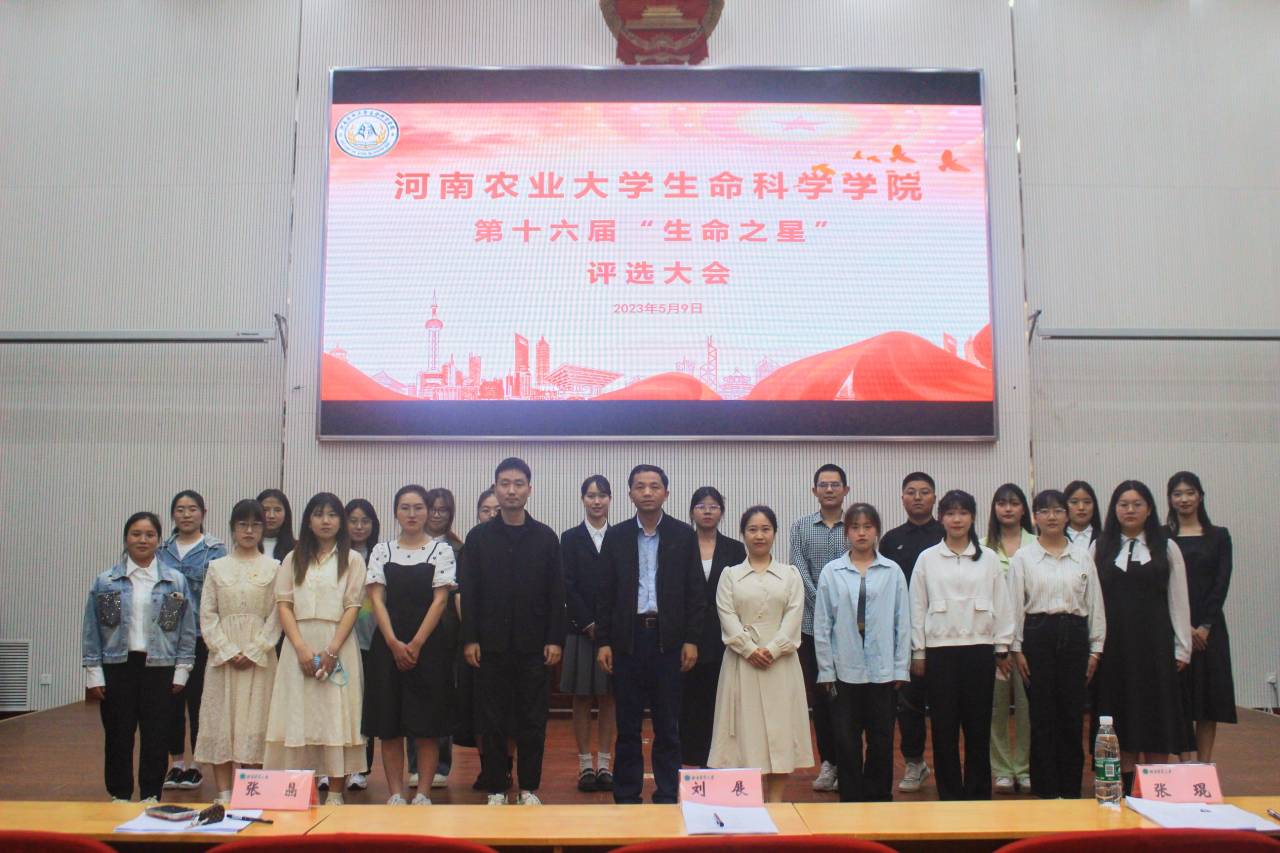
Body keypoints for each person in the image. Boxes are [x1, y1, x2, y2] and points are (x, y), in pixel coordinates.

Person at [596, 464, 705, 805]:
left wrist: (691, 639)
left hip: (668, 641)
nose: (647, 492)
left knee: (668, 725)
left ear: (666, 493)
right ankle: (627, 793)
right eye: (640, 486)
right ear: (629, 494)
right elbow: (604, 593)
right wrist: (603, 641)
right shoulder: (616, 536)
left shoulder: (683, 535)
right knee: (627, 725)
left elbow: (695, 593)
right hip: (627, 641)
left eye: (654, 486)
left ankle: (668, 793)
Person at [461, 458, 565, 806]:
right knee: (491, 721)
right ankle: (495, 787)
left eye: (518, 484)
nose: (511, 490)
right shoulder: (478, 538)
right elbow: (470, 592)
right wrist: (470, 638)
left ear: (529, 490)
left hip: (534, 646)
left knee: (532, 720)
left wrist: (554, 639)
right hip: (489, 646)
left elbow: (556, 594)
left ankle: (529, 788)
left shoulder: (545, 538)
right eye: (504, 483)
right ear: (495, 488)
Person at [83, 512, 197, 803]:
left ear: (159, 540)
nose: (143, 540)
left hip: (159, 666)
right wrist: (93, 671)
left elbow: (185, 630)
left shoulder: (174, 581)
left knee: (156, 735)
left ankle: (150, 795)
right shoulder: (107, 581)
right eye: (136, 534)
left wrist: (183, 668)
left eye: (149, 534)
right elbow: (93, 629)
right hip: (118, 666)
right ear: (126, 538)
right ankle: (119, 794)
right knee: (118, 734)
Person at [909, 489, 1015, 801]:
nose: (957, 519)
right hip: (940, 653)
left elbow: (1002, 603)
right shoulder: (927, 559)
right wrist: (918, 651)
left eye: (963, 513)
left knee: (978, 727)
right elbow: (917, 606)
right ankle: (950, 796)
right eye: (951, 513)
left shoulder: (989, 558)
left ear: (972, 517)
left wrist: (1002, 646)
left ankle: (978, 795)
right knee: (944, 729)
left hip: (979, 650)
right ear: (941, 518)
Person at [262, 492, 368, 805]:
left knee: (336, 716)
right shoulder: (293, 558)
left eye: (332, 515)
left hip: (339, 643)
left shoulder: (353, 559)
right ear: (308, 520)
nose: (326, 521)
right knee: (299, 715)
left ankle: (335, 793)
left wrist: (331, 651)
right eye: (319, 514)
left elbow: (353, 606)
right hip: (299, 645)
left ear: (341, 521)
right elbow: (284, 604)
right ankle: (300, 792)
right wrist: (300, 648)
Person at [1092, 480, 1192, 796]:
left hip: (1156, 647)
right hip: (1115, 647)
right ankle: (1122, 788)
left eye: (1137, 504)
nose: (1130, 510)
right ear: (1114, 509)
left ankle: (1156, 788)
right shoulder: (1100, 547)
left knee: (1156, 713)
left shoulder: (1167, 548)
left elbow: (1179, 599)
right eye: (1123, 504)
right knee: (1119, 715)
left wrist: (1182, 647)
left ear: (1149, 509)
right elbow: (1092, 601)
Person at [708, 506, 813, 802]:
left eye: (765, 529)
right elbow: (727, 616)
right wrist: (750, 649)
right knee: (745, 733)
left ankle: (776, 801)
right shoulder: (730, 575)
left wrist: (774, 649)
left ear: (774, 533)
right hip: (742, 663)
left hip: (780, 664)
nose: (759, 535)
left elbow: (794, 616)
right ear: (743, 534)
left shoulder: (790, 575)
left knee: (780, 732)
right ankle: (748, 803)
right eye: (752, 529)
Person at [363, 485, 457, 805]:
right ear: (396, 513)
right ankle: (395, 793)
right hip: (387, 645)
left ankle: (424, 793)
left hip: (428, 647)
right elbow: (376, 598)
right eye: (405, 508)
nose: (412, 514)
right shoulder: (382, 551)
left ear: (428, 512)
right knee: (390, 725)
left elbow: (440, 600)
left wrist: (415, 644)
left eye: (418, 507)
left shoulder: (440, 551)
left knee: (427, 724)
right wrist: (393, 642)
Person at [1009, 489, 1105, 799]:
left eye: (1058, 510)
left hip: (1075, 636)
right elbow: (1014, 606)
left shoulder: (1082, 556)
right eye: (1044, 511)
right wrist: (1016, 649)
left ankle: (1070, 790)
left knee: (1072, 716)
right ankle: (1046, 791)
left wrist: (1096, 649)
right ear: (1034, 517)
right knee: (1041, 717)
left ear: (1067, 515)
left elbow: (1095, 604)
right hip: (1037, 636)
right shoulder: (1023, 558)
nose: (1052, 517)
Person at [814, 503, 910, 803]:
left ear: (877, 531)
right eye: (855, 527)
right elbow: (822, 625)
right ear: (847, 532)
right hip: (844, 670)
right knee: (846, 740)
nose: (861, 533)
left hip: (883, 672)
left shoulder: (892, 571)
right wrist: (826, 670)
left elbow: (902, 622)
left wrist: (901, 667)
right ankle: (852, 798)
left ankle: (878, 797)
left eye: (868, 527)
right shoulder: (832, 571)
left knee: (881, 740)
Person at [193, 499, 282, 804]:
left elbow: (278, 614)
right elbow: (208, 614)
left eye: (256, 525)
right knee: (222, 721)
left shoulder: (274, 567)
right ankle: (224, 794)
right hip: (222, 660)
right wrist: (227, 650)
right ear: (232, 528)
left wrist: (256, 650)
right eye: (243, 524)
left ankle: (253, 794)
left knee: (256, 722)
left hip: (261, 659)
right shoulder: (216, 567)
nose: (249, 531)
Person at [879, 472, 944, 793]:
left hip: (944, 632)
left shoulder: (947, 533)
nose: (918, 497)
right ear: (902, 498)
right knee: (908, 703)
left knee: (945, 703)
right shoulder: (891, 540)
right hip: (903, 633)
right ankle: (914, 762)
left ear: (934, 498)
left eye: (924, 492)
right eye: (911, 492)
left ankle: (946, 766)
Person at [786, 464, 849, 793]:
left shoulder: (857, 524)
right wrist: (822, 601)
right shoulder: (800, 527)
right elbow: (798, 570)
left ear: (845, 490)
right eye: (823, 485)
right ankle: (829, 763)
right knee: (822, 697)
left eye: (835, 485)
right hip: (812, 626)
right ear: (814, 491)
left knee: (850, 697)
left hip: (851, 627)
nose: (829, 490)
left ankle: (850, 763)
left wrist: (842, 607)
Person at [1167, 471, 1237, 762]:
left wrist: (1205, 625)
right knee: (1180, 701)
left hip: (1210, 630)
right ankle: (1185, 767)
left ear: (1200, 496)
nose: (1184, 499)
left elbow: (1222, 583)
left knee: (1209, 702)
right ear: (1170, 499)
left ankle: (1204, 766)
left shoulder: (1219, 536)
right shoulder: (1162, 537)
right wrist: (1183, 627)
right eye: (1177, 494)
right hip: (1174, 628)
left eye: (1190, 493)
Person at [681, 486, 746, 768]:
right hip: (686, 635)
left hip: (723, 635)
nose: (707, 511)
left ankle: (717, 760)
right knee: (688, 700)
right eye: (701, 506)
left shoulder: (735, 548)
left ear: (721, 512)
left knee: (719, 700)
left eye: (713, 506)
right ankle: (689, 759)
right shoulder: (680, 544)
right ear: (692, 511)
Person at [561, 475, 618, 791]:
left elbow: (623, 584)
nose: (597, 501)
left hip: (613, 633)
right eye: (591, 495)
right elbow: (566, 585)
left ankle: (605, 764)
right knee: (582, 697)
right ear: (582, 499)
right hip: (579, 629)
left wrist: (606, 626)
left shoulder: (621, 536)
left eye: (602, 495)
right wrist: (588, 623)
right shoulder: (569, 538)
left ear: (610, 499)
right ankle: (585, 764)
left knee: (609, 698)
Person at [983, 484, 1035, 794]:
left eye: (1014, 503)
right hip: (994, 641)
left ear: (1023, 509)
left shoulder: (1036, 544)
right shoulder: (983, 547)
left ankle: (1025, 767)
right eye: (1001, 503)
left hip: (1030, 640)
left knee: (1028, 707)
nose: (1007, 508)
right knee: (996, 707)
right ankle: (1002, 768)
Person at [421, 487, 464, 789]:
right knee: (415, 698)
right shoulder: (407, 545)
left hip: (448, 633)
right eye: (433, 509)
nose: (437, 515)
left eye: (443, 510)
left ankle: (441, 765)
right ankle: (415, 765)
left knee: (444, 698)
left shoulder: (460, 549)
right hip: (412, 631)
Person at [344, 498, 379, 792]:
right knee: (337, 706)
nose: (358, 526)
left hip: (371, 643)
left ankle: (361, 769)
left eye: (365, 521)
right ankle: (331, 768)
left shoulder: (379, 554)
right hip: (339, 642)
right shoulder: (335, 555)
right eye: (353, 520)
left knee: (365, 707)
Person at [256, 489, 296, 563]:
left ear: (286, 514)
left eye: (277, 510)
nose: (271, 515)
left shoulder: (297, 549)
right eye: (265, 510)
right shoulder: (246, 546)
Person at [1063, 481, 1101, 549]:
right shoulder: (1056, 539)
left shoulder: (1106, 539)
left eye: (1087, 502)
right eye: (1074, 502)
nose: (1081, 507)